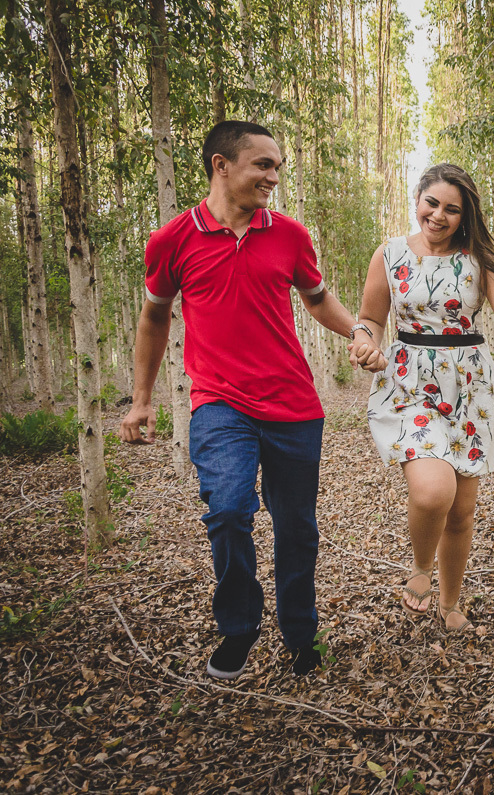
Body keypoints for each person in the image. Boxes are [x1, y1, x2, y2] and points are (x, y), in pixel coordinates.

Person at [119, 120, 377, 679]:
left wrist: (357, 331)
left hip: (294, 406)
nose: (273, 177)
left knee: (296, 527)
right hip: (219, 404)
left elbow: (316, 297)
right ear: (221, 165)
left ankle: (301, 634)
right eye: (263, 165)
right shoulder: (171, 241)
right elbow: (154, 316)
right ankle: (239, 628)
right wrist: (141, 399)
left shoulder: (289, 234)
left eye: (277, 167)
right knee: (230, 510)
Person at [349, 163, 494, 632]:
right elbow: (371, 316)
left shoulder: (477, 258)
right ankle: (420, 568)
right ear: (417, 199)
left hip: (470, 386)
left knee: (462, 510)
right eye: (431, 203)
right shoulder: (390, 254)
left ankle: (451, 605)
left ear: (464, 215)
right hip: (410, 382)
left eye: (452, 209)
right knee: (435, 491)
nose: (438, 215)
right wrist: (366, 342)